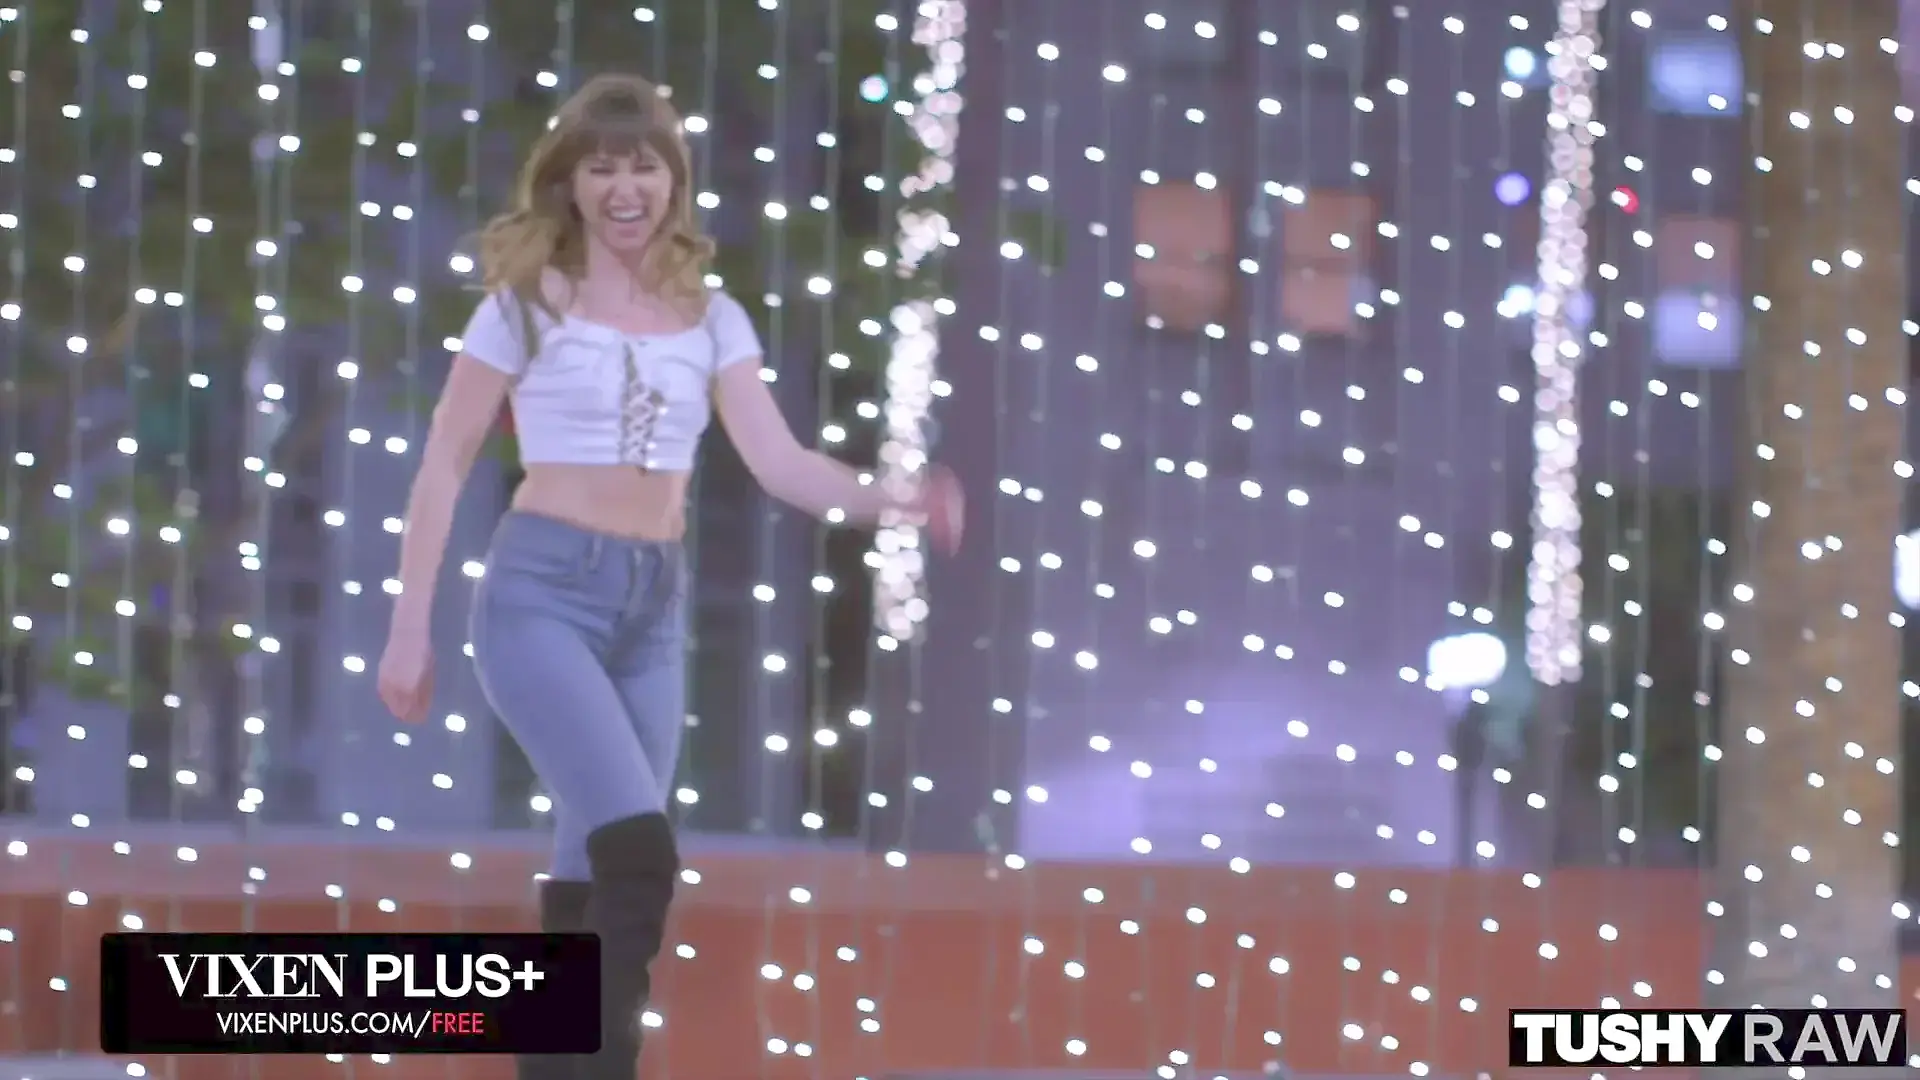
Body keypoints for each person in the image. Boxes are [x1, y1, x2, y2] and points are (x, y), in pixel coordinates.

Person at [375, 73, 963, 1080]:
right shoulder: (523, 308)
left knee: (591, 868)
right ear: (569, 184)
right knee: (639, 852)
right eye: (602, 169)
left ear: (673, 181)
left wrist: (891, 499)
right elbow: (444, 460)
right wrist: (407, 625)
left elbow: (779, 462)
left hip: (650, 608)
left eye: (643, 167)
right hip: (540, 598)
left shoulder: (711, 316)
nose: (624, 189)